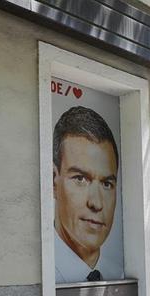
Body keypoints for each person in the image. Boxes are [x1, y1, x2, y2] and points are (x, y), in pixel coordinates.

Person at [53, 106, 122, 283]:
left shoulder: (118, 273)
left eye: (107, 184)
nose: (96, 203)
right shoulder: (43, 272)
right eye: (80, 179)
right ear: (53, 180)